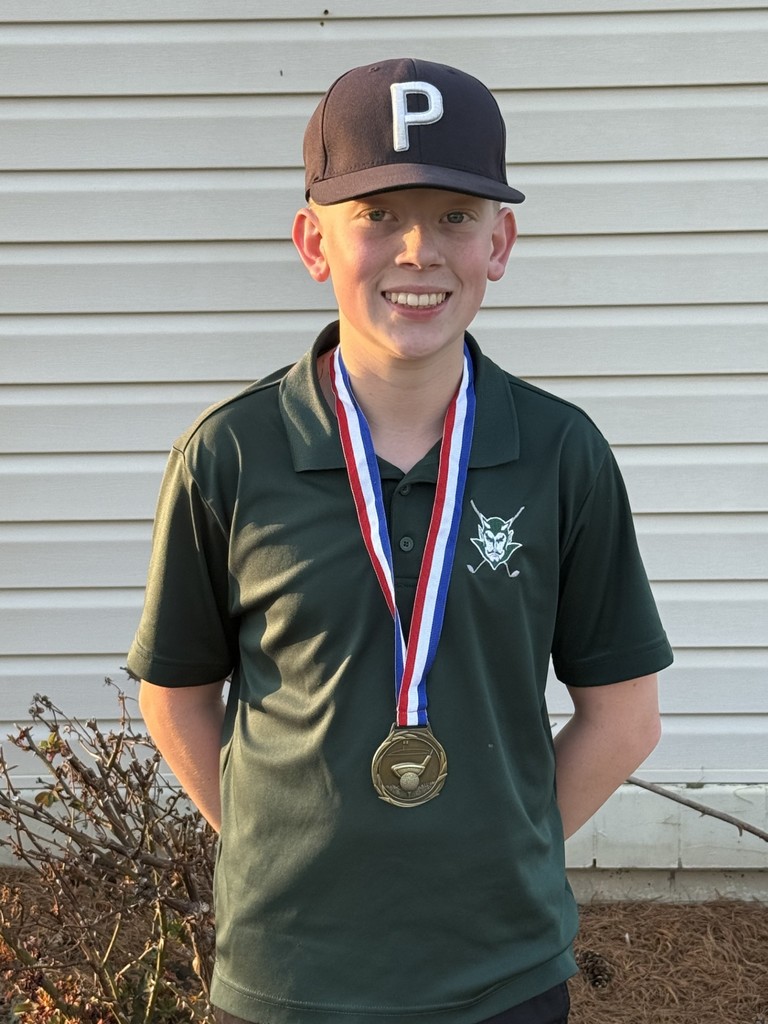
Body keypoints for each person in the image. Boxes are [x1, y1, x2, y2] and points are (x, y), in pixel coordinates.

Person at [128, 57, 673, 1024]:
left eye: (456, 217)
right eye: (377, 214)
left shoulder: (559, 453)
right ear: (314, 241)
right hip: (287, 976)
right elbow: (176, 696)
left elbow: (624, 716)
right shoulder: (231, 455)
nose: (418, 249)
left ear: (499, 243)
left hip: (501, 973)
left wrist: (505, 848)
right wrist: (277, 840)